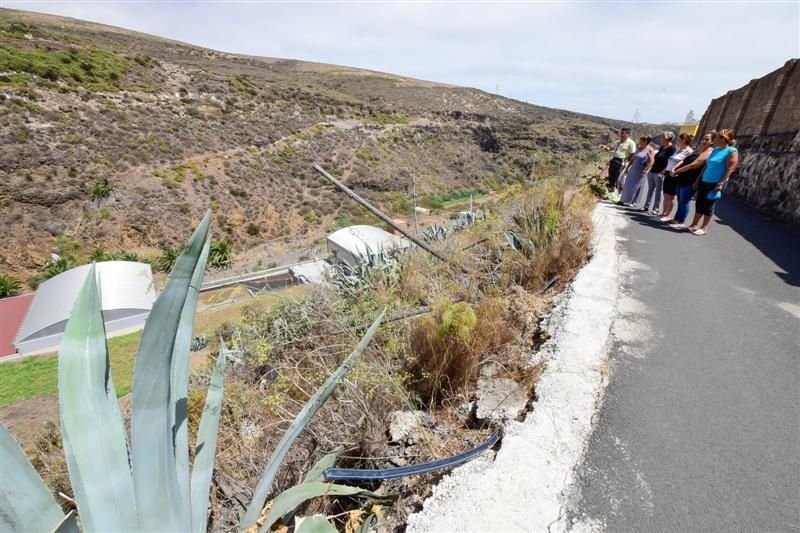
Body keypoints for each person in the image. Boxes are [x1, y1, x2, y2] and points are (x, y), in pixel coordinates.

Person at [686, 129, 738, 235]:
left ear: (724, 139)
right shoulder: (715, 150)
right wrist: (698, 179)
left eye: (718, 137)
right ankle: (694, 224)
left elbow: (730, 169)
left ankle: (704, 228)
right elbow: (706, 165)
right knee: (699, 203)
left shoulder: (731, 151)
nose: (716, 140)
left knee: (708, 205)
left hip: (715, 183)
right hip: (704, 180)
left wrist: (720, 183)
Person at [670, 132, 715, 227]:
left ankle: (681, 221)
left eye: (707, 139)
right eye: (703, 138)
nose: (703, 141)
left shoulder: (709, 152)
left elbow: (693, 165)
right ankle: (676, 218)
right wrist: (675, 168)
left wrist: (676, 171)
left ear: (712, 142)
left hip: (691, 179)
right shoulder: (698, 150)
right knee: (680, 200)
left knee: (685, 200)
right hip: (682, 177)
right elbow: (684, 160)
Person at [658, 132, 694, 221]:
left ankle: (667, 214)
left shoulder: (689, 151)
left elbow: (685, 163)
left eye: (679, 140)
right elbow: (671, 161)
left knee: (671, 196)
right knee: (665, 194)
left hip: (676, 175)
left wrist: (675, 171)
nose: (677, 141)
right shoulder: (678, 150)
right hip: (668, 173)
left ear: (684, 141)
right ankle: (664, 212)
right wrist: (665, 169)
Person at [642, 131, 675, 214]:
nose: (660, 138)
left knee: (658, 191)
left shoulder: (671, 149)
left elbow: (670, 162)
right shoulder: (661, 147)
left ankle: (655, 208)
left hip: (660, 172)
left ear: (667, 138)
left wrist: (663, 171)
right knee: (650, 189)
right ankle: (646, 206)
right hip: (653, 170)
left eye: (662, 137)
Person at [617, 135, 654, 206]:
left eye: (641, 141)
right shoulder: (639, 148)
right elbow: (632, 159)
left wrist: (644, 171)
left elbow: (651, 162)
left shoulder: (650, 150)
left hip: (640, 170)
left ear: (645, 141)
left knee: (636, 186)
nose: (639, 142)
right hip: (633, 169)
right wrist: (627, 168)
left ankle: (632, 201)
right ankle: (622, 200)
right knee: (627, 184)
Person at [602, 128, 637, 193]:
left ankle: (619, 194)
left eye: (623, 133)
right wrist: (606, 148)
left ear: (628, 134)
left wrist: (628, 162)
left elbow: (633, 154)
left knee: (619, 179)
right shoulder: (618, 142)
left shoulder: (631, 143)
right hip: (614, 161)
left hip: (622, 163)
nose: (621, 134)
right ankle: (612, 193)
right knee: (612, 177)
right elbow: (611, 148)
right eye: (621, 133)